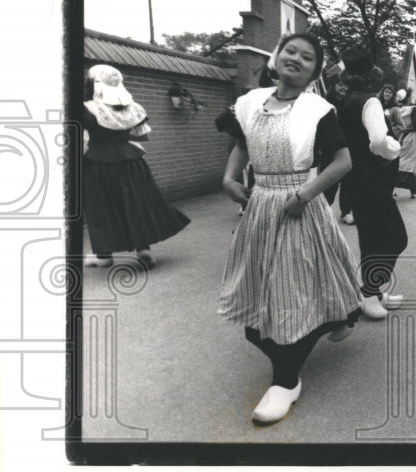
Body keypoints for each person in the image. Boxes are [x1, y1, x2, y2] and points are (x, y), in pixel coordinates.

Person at [217, 34, 361, 425]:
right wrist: (230, 179)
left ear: (315, 70)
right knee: (260, 293)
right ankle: (338, 320)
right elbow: (241, 145)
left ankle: (285, 380)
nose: (296, 59)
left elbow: (342, 161)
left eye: (308, 57)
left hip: (298, 204)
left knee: (291, 292)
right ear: (276, 57)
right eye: (290, 52)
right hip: (260, 205)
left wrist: (305, 195)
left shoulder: (318, 109)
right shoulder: (249, 103)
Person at [82, 64, 191, 268]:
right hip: (132, 163)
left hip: (97, 165)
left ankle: (104, 255)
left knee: (101, 207)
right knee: (136, 204)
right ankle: (143, 249)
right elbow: (141, 135)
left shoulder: (87, 109)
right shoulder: (134, 107)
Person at [337, 47, 410, 319]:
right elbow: (379, 141)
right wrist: (394, 150)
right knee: (395, 237)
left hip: (354, 175)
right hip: (371, 175)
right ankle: (368, 290)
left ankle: (373, 292)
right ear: (373, 75)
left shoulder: (346, 101)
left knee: (370, 237)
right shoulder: (370, 102)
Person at [323, 74, 355, 224]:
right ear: (333, 85)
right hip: (330, 146)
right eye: (340, 84)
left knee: (348, 181)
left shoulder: (349, 102)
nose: (344, 87)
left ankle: (346, 212)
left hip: (348, 145)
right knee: (330, 179)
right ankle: (325, 209)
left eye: (346, 85)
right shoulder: (326, 102)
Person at [393, 89, 416, 199]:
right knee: (411, 163)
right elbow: (415, 124)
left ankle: (393, 187)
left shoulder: (397, 109)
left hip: (401, 136)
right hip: (412, 137)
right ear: (408, 98)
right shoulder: (412, 109)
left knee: (400, 161)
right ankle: (414, 191)